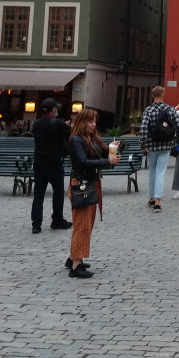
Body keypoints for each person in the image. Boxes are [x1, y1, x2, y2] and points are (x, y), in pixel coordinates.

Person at [66, 108, 117, 279]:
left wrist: (112, 150)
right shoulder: (76, 140)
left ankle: (74, 257)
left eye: (95, 121)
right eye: (90, 121)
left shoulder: (91, 138)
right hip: (81, 184)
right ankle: (75, 266)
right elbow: (83, 162)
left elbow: (101, 153)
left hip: (91, 183)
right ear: (82, 122)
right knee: (82, 225)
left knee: (87, 224)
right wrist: (107, 162)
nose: (94, 124)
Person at [31, 98, 72, 234]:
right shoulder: (58, 123)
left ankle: (36, 224)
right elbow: (70, 133)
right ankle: (57, 220)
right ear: (54, 110)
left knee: (38, 194)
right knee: (58, 191)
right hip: (54, 162)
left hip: (39, 162)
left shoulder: (36, 124)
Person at [139, 85, 179, 212]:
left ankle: (151, 198)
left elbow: (143, 129)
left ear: (152, 96)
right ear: (163, 95)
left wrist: (143, 144)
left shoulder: (148, 110)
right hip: (166, 145)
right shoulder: (169, 109)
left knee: (152, 171)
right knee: (161, 172)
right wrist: (176, 141)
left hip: (152, 145)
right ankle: (158, 200)